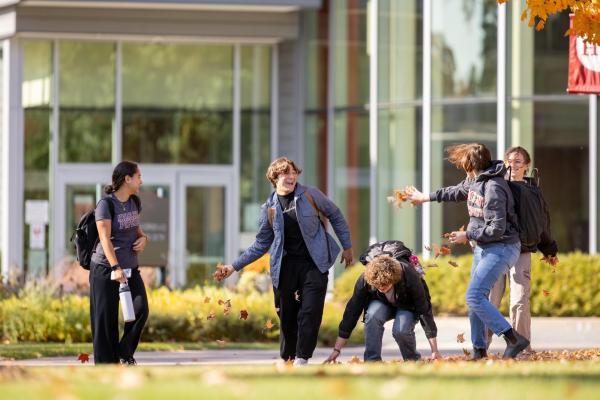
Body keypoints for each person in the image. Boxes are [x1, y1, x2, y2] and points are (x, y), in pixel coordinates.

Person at [215, 157, 353, 366]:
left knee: (311, 311)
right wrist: (233, 266)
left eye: (294, 172)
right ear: (274, 178)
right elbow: (261, 244)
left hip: (314, 263)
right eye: (285, 173)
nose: (291, 177)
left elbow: (335, 215)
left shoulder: (310, 195)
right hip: (285, 267)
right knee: (287, 316)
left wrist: (347, 246)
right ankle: (288, 357)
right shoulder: (268, 209)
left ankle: (302, 358)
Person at [406, 143, 529, 360]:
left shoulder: (493, 187)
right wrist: (425, 197)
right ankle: (479, 349)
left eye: (464, 164)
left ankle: (513, 338)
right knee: (476, 298)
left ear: (471, 164)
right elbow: (455, 191)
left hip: (502, 247)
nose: (463, 169)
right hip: (485, 248)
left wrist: (468, 235)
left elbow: (497, 228)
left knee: (473, 296)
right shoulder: (475, 180)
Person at [487, 146, 559, 351]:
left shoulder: (534, 191)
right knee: (491, 300)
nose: (513, 164)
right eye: (509, 160)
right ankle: (481, 346)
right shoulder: (497, 186)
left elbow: (542, 222)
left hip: (522, 251)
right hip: (497, 250)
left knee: (519, 301)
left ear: (526, 166)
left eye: (518, 161)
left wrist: (550, 250)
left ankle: (520, 348)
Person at [324, 241, 440, 363]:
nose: (382, 289)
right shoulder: (365, 279)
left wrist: (434, 350)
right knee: (372, 315)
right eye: (378, 287)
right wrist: (336, 350)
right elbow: (352, 312)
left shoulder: (408, 273)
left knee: (400, 330)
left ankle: (412, 360)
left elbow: (424, 309)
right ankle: (372, 361)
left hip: (407, 305)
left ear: (394, 279)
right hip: (382, 303)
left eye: (386, 286)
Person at [90, 161, 149, 365]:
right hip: (106, 269)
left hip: (131, 268)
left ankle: (123, 352)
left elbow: (137, 231)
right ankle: (106, 366)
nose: (141, 180)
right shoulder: (106, 205)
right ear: (127, 179)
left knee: (141, 310)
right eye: (139, 176)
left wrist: (144, 240)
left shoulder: (134, 202)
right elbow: (104, 238)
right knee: (106, 321)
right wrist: (115, 267)